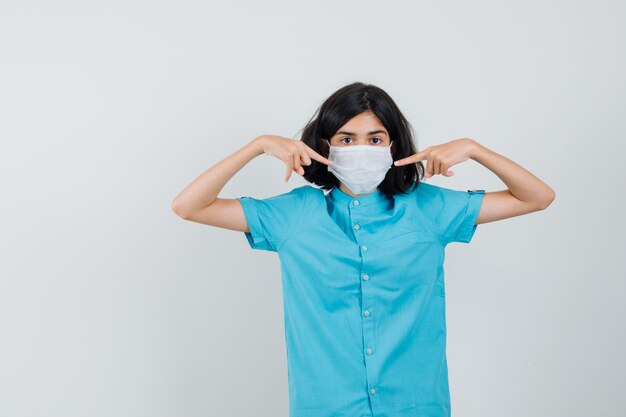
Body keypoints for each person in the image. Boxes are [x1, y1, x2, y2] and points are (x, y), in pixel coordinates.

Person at [171, 82, 555, 417]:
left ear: (393, 147)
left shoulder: (428, 209)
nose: (361, 149)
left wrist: (473, 149)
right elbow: (189, 206)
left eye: (375, 139)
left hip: (417, 405)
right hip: (325, 406)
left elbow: (537, 197)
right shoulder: (294, 215)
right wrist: (256, 147)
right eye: (346, 139)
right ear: (325, 146)